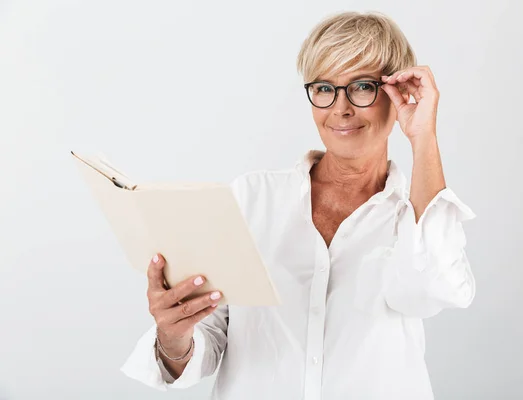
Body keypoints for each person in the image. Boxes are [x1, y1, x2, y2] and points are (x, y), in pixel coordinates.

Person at [121, 10, 476, 400]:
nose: (340, 108)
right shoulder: (252, 199)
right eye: (324, 88)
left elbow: (428, 289)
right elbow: (209, 333)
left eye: (361, 87)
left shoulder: (413, 216)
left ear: (397, 95)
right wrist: (173, 336)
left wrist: (424, 135)